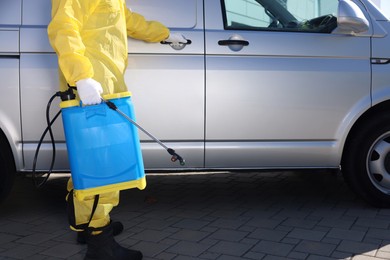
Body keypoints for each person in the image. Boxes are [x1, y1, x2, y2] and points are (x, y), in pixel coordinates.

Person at [47, 1, 186, 259]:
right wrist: (81, 76)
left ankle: (86, 225)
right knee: (103, 167)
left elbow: (129, 20)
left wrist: (164, 34)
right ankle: (100, 243)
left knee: (90, 164)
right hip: (92, 90)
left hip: (106, 88)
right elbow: (63, 26)